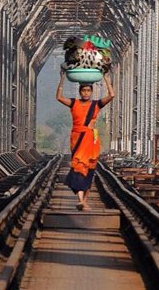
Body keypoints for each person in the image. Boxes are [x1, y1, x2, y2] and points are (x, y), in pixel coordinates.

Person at [56, 70, 115, 211]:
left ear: (92, 92)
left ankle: (84, 201)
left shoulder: (97, 104)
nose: (86, 93)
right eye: (84, 91)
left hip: (91, 140)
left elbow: (112, 95)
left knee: (90, 169)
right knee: (78, 166)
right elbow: (59, 97)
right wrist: (62, 79)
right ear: (80, 92)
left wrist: (107, 79)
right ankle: (81, 200)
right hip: (77, 139)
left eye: (88, 91)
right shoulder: (73, 103)